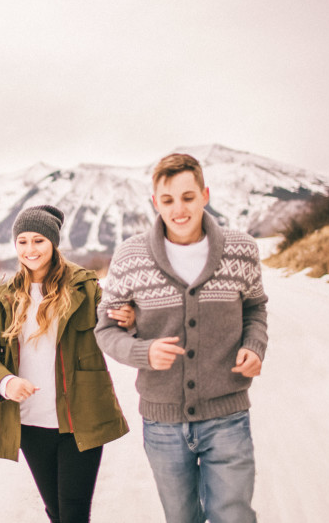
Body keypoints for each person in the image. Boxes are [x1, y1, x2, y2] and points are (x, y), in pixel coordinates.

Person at [94, 153, 269, 523]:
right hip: (163, 424)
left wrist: (254, 347)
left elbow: (255, 309)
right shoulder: (130, 256)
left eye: (188, 197)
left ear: (205, 195)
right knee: (181, 518)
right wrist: (142, 351)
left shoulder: (241, 249)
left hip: (228, 414)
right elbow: (106, 328)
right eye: (168, 200)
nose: (179, 209)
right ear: (155, 203)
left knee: (234, 516)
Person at [0, 204, 133, 523]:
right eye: (23, 241)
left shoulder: (85, 288)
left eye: (39, 241)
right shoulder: (3, 295)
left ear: (53, 243)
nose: (30, 249)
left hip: (81, 418)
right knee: (56, 512)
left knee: (73, 512)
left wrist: (129, 320)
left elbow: (113, 326)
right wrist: (7, 383)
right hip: (31, 423)